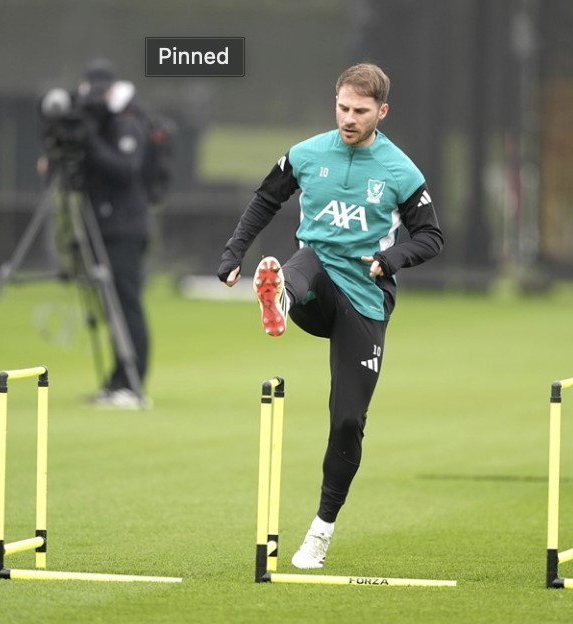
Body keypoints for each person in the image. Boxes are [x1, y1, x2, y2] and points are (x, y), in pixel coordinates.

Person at [217, 63, 443, 569]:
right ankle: (279, 299)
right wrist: (234, 253)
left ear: (382, 112)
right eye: (342, 108)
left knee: (347, 422)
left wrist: (391, 259)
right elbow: (265, 199)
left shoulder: (401, 171)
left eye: (360, 111)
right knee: (308, 257)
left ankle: (320, 533)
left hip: (363, 300)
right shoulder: (305, 154)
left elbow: (431, 236)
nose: (348, 118)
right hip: (312, 288)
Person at [75, 59, 152, 409]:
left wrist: (90, 141)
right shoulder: (100, 122)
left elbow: (126, 169)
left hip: (125, 229)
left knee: (126, 305)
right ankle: (117, 379)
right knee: (112, 308)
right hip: (103, 226)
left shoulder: (127, 121)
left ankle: (132, 383)